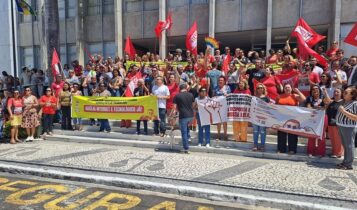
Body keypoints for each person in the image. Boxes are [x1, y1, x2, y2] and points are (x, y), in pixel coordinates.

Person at [276, 83, 306, 154]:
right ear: (283, 89)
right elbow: (275, 106)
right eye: (286, 87)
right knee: (281, 134)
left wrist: (298, 91)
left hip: (293, 118)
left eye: (288, 87)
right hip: (281, 117)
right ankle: (281, 149)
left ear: (291, 88)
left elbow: (304, 99)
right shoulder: (279, 97)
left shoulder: (294, 96)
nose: (287, 88)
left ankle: (292, 149)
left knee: (292, 134)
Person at [336, 86, 357, 170]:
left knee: (349, 145)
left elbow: (356, 117)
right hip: (342, 126)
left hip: (349, 127)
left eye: (346, 92)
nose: (344, 93)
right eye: (344, 92)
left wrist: (344, 112)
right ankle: (345, 162)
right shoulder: (345, 102)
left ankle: (349, 164)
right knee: (345, 145)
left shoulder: (355, 104)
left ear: (352, 95)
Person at [173, 84, 195, 153]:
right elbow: (193, 104)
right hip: (191, 115)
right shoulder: (191, 95)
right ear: (186, 88)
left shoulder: (177, 96)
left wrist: (174, 114)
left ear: (180, 88)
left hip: (183, 116)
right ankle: (188, 137)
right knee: (186, 126)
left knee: (183, 132)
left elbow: (174, 108)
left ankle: (186, 148)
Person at [306, 85, 326, 157]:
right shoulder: (309, 98)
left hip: (322, 118)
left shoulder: (323, 97)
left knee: (321, 135)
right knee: (311, 134)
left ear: (319, 90)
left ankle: (320, 152)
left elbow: (325, 107)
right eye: (313, 89)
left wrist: (319, 107)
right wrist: (317, 107)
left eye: (316, 88)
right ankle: (310, 151)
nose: (315, 90)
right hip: (312, 118)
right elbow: (308, 107)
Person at [325, 88, 344, 158]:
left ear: (341, 93)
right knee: (333, 139)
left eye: (338, 92)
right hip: (330, 124)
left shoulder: (343, 102)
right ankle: (334, 152)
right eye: (335, 92)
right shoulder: (332, 102)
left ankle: (338, 153)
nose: (336, 93)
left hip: (338, 124)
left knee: (338, 139)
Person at [252, 84, 270, 151]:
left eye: (261, 88)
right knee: (255, 131)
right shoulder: (253, 98)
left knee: (262, 131)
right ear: (256, 89)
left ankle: (262, 145)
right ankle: (255, 144)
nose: (260, 89)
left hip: (263, 117)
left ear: (263, 89)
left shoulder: (266, 98)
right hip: (255, 117)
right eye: (258, 88)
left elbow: (269, 108)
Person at [214, 76, 231, 140]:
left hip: (225, 107)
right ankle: (218, 135)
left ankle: (225, 135)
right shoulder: (216, 88)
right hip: (218, 107)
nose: (220, 81)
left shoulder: (227, 87)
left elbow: (230, 96)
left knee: (224, 121)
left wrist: (227, 95)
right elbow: (213, 96)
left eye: (221, 80)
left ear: (224, 81)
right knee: (218, 121)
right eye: (219, 80)